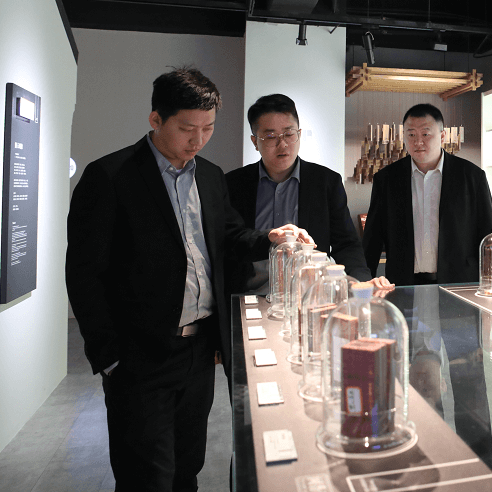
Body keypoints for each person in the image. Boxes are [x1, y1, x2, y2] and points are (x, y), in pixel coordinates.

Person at [65, 67, 311, 492]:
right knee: (147, 478)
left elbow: (229, 235)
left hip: (198, 353)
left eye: (208, 128)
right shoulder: (110, 176)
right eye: (186, 129)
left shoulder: (210, 175)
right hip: (139, 357)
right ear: (155, 119)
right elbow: (85, 273)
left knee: (186, 469)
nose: (198, 140)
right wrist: (110, 357)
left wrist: (270, 238)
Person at [225, 94, 389, 290]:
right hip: (251, 295)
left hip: (310, 295)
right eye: (270, 136)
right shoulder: (233, 184)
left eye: (289, 134)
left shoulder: (326, 181)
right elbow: (231, 241)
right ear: (254, 141)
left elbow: (346, 244)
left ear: (299, 134)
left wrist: (361, 281)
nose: (282, 144)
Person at [362, 103, 492, 285]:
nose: (418, 142)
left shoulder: (472, 176)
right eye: (411, 135)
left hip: (458, 283)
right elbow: (372, 239)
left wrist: (491, 283)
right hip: (402, 283)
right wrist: (362, 284)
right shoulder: (386, 179)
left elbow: (488, 236)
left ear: (442, 136)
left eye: (425, 134)